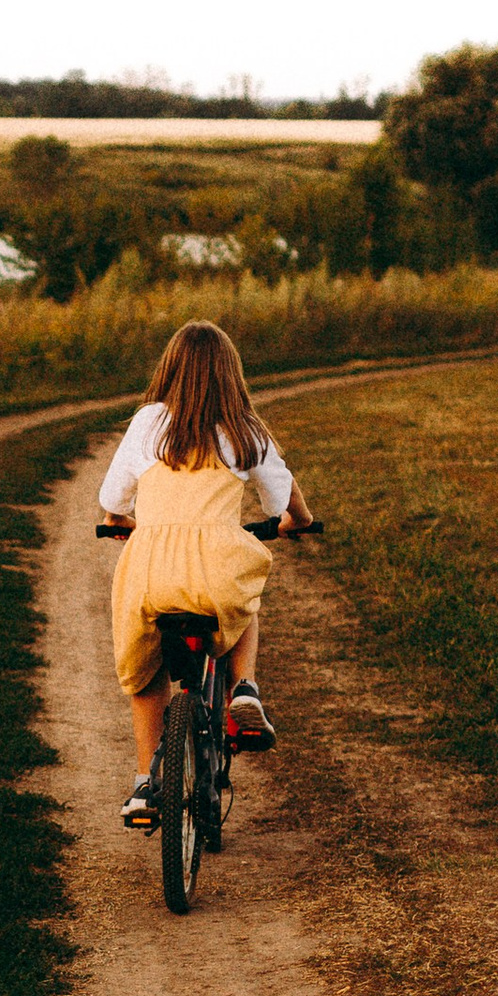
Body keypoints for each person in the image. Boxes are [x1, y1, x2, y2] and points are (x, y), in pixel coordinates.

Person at [98, 320, 316, 832]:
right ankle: (245, 687)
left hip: (150, 569)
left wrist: (118, 523)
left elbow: (112, 500)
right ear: (230, 375)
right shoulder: (244, 429)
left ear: (169, 370)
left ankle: (144, 785)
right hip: (214, 567)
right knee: (246, 598)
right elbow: (285, 498)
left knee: (147, 671)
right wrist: (297, 523)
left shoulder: (148, 422)